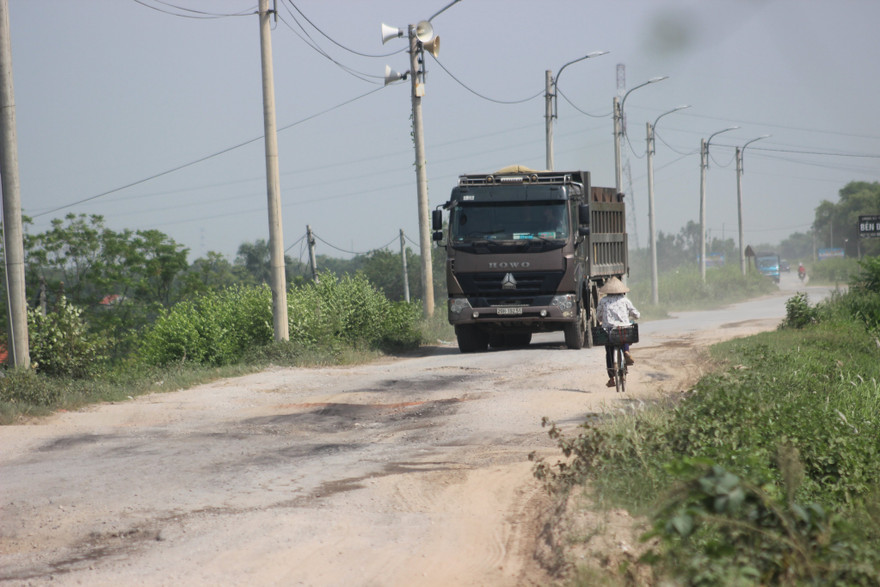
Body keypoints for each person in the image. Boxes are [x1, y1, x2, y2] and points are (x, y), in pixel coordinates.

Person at [597, 276, 640, 388]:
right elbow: (636, 313)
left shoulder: (603, 301)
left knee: (609, 351)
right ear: (622, 291)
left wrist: (603, 319)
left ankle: (611, 378)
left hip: (609, 330)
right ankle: (626, 351)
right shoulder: (625, 300)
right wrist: (634, 316)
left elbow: (598, 316)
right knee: (624, 333)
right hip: (622, 329)